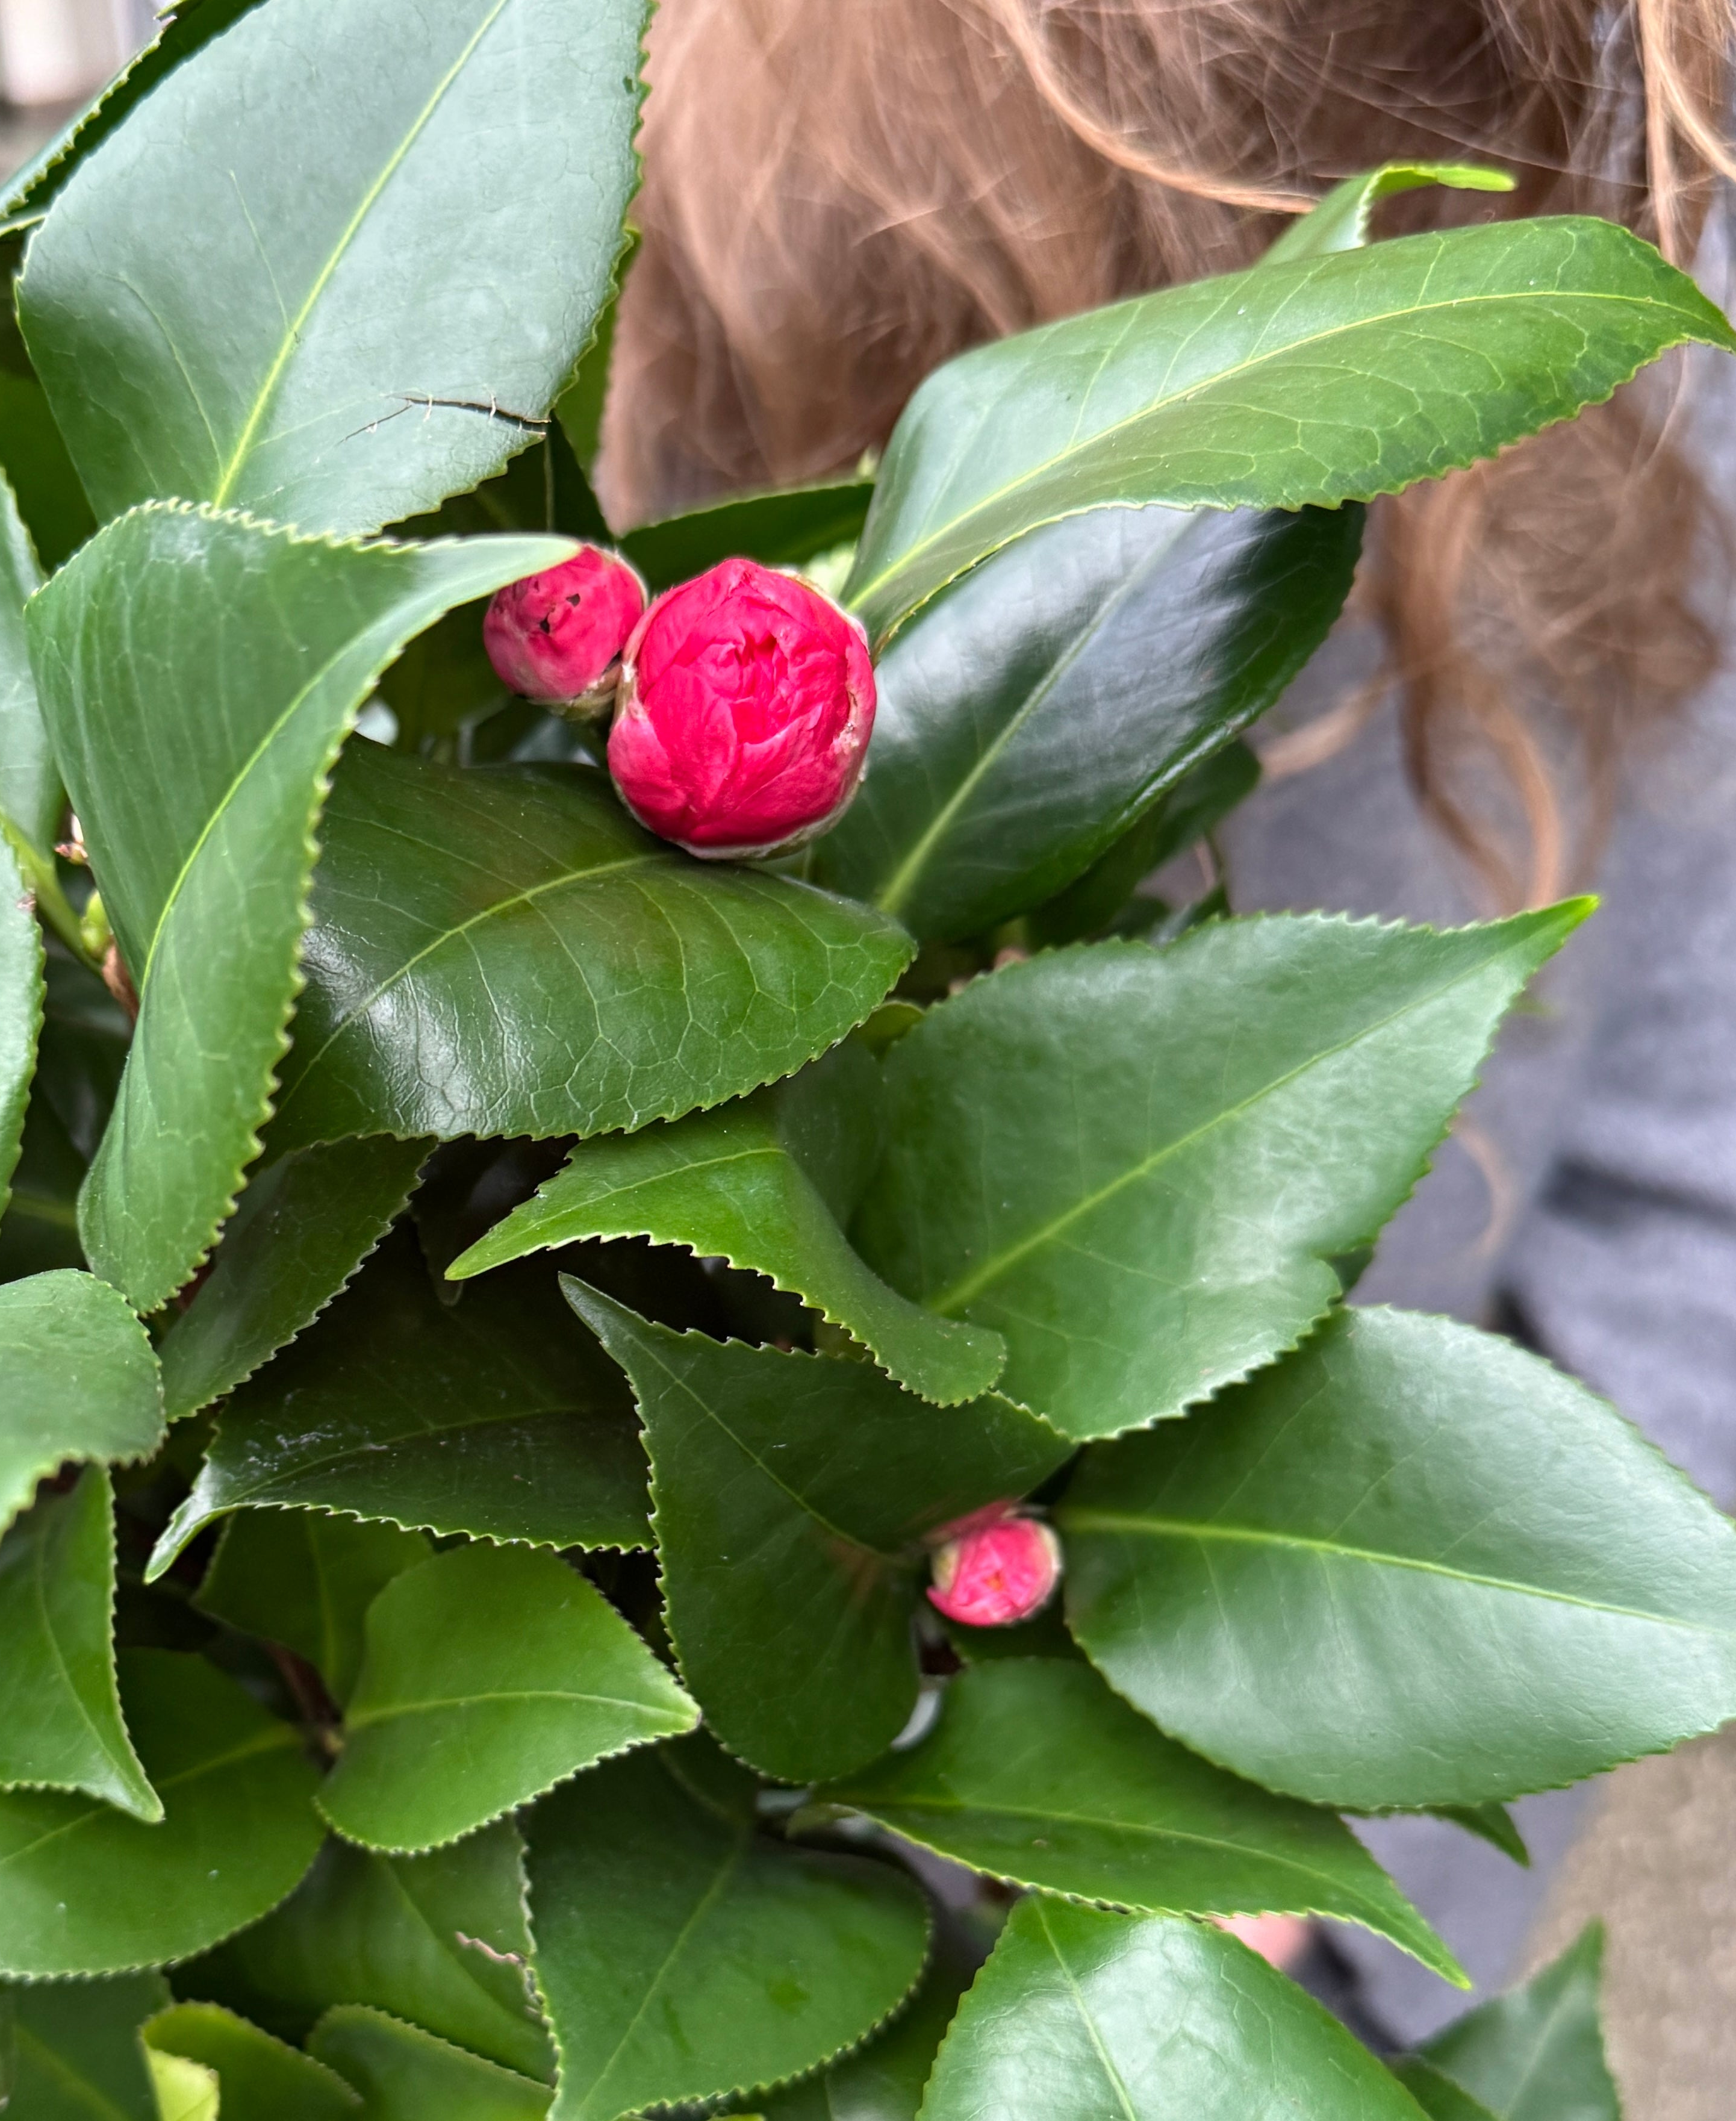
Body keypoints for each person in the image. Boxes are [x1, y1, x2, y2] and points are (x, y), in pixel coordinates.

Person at [599, 0, 1736, 2053]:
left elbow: (1702, 1209)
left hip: (1232, 1794)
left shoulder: (1652, 254)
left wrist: (1334, 1883)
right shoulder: (496, 135)